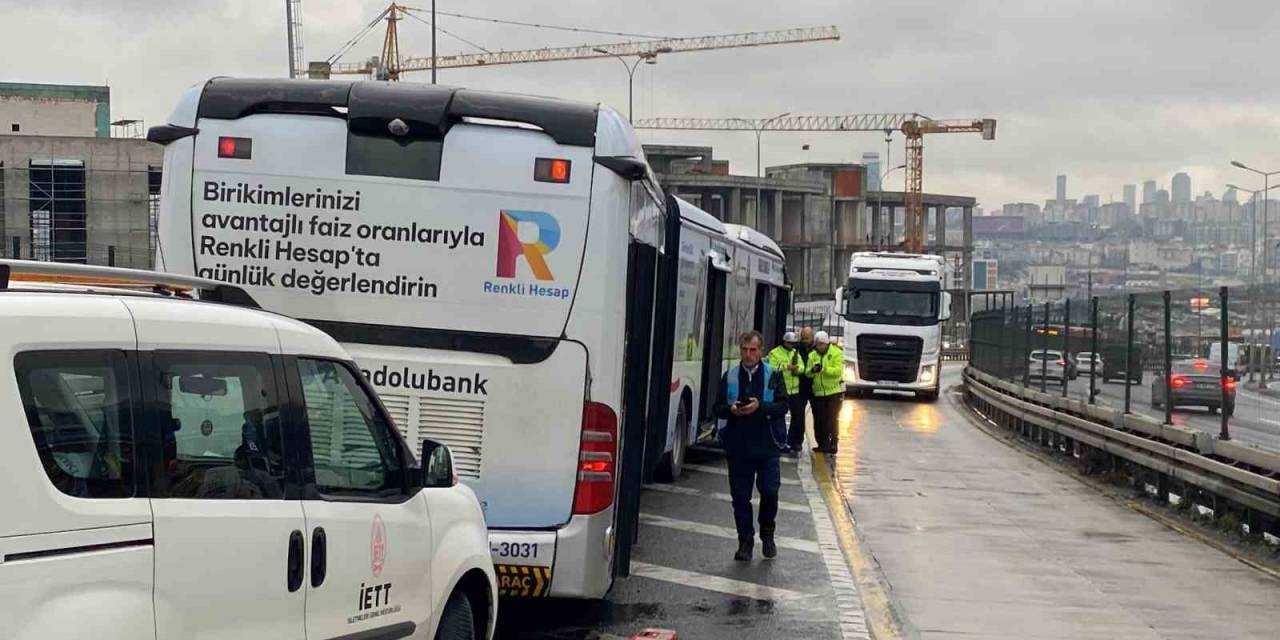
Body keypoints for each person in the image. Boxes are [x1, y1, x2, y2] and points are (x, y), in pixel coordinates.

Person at [713, 330, 790, 561]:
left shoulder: (774, 375)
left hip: (767, 445)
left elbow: (784, 406)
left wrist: (761, 407)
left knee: (769, 491)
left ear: (761, 351)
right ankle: (745, 541)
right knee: (740, 497)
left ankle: (767, 533)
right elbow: (717, 408)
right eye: (745, 350)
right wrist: (732, 410)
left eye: (753, 350)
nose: (748, 355)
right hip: (738, 446)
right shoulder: (731, 376)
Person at [766, 331, 806, 457]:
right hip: (781, 391)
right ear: (784, 342)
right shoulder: (775, 352)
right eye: (790, 343)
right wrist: (786, 367)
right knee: (779, 417)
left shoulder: (795, 353)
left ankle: (793, 442)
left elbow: (802, 367)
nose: (792, 346)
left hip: (794, 390)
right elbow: (771, 367)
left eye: (793, 343)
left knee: (797, 417)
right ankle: (779, 441)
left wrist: (797, 369)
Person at [805, 330, 845, 454]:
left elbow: (837, 371)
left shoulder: (836, 353)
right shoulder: (812, 355)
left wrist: (823, 369)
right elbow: (807, 373)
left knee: (832, 419)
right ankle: (822, 444)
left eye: (821, 344)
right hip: (818, 393)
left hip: (833, 392)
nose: (819, 347)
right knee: (819, 419)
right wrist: (812, 370)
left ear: (827, 343)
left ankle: (833, 443)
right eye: (817, 344)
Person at [792, 327, 816, 451]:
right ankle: (797, 441)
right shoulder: (797, 348)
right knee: (798, 414)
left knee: (818, 415)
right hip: (801, 384)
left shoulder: (817, 349)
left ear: (812, 337)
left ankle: (821, 442)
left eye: (807, 338)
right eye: (803, 338)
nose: (805, 340)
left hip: (814, 385)